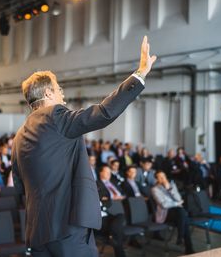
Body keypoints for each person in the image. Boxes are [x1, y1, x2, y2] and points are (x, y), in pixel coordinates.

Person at [12, 36, 156, 256]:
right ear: (49, 93)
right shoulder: (55, 116)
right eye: (59, 89)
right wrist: (140, 74)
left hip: (38, 231)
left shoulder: (19, 136)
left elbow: (20, 186)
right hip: (67, 228)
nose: (63, 96)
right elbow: (104, 112)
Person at [152, 170, 194, 255]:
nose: (163, 179)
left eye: (163, 176)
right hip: (165, 214)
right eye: (160, 177)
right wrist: (176, 203)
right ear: (157, 179)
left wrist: (170, 189)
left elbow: (178, 198)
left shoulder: (171, 185)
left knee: (183, 215)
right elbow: (164, 205)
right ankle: (187, 247)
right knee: (183, 214)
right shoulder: (154, 189)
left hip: (177, 212)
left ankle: (181, 238)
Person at [96, 167, 126, 257]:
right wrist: (103, 200)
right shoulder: (96, 184)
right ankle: (114, 236)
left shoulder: (112, 182)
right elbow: (106, 200)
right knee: (118, 234)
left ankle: (112, 234)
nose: (109, 174)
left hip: (108, 214)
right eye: (106, 172)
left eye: (110, 172)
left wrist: (104, 200)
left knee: (121, 216)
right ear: (100, 173)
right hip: (99, 218)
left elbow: (108, 202)